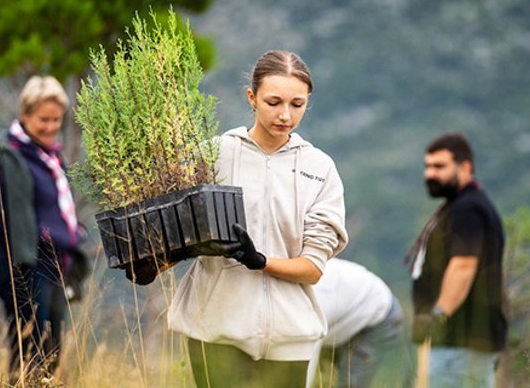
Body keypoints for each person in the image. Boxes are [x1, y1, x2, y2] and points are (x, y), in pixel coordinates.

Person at [167, 50, 348, 388]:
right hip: (215, 330)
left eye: (297, 104)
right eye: (273, 102)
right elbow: (175, 232)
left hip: (288, 340)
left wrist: (261, 261)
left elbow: (313, 267)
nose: (285, 115)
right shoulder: (213, 155)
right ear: (251, 97)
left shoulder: (320, 168)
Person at [0, 75, 89, 383]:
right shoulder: (6, 156)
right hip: (22, 267)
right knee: (29, 354)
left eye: (56, 120)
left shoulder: (50, 157)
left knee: (50, 354)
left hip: (54, 266)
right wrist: (42, 237)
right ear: (24, 115)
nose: (51, 127)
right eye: (43, 120)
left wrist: (70, 234)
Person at [406, 133, 507, 388]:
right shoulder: (461, 206)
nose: (430, 174)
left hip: (460, 342)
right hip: (457, 344)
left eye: (439, 166)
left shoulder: (468, 208)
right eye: (427, 166)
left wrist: (437, 318)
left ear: (464, 167)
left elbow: (464, 266)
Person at [306, 257, 405, 388]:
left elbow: (308, 351)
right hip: (344, 321)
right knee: (323, 381)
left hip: (379, 316)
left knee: (349, 384)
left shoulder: (312, 293)